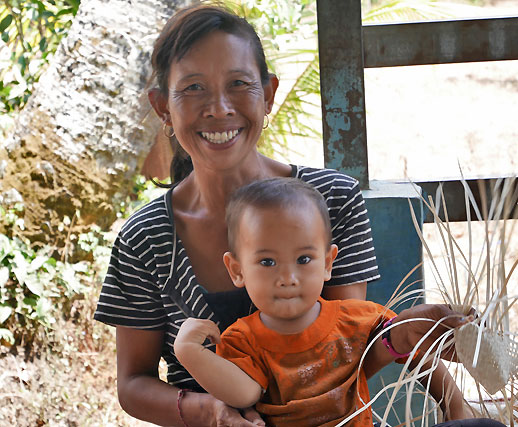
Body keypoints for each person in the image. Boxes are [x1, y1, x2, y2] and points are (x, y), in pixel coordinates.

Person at [94, 4, 381, 426]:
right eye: (193, 88)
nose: (219, 107)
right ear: (162, 107)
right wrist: (207, 411)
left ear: (267, 95)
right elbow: (133, 382)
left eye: (239, 84)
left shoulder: (331, 199)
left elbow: (351, 345)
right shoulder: (145, 238)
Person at [174, 177, 474, 426]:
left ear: (328, 263)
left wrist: (454, 403)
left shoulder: (357, 318)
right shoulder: (243, 339)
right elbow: (243, 394)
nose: (288, 277)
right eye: (267, 262)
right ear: (237, 270)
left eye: (304, 259)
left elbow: (407, 340)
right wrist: (188, 351)